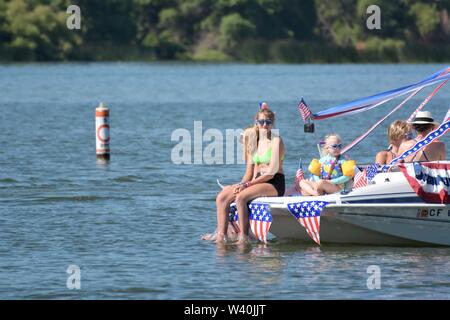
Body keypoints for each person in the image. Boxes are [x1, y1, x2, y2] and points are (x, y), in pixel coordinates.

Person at [202, 103, 285, 244]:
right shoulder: (254, 142)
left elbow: (271, 172)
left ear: (272, 124)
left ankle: (243, 237)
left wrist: (247, 185)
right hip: (255, 181)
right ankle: (221, 236)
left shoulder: (276, 140)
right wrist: (242, 184)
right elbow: (249, 173)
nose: (264, 125)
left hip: (273, 182)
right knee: (222, 197)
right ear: (256, 123)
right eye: (261, 122)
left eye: (268, 122)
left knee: (241, 197)